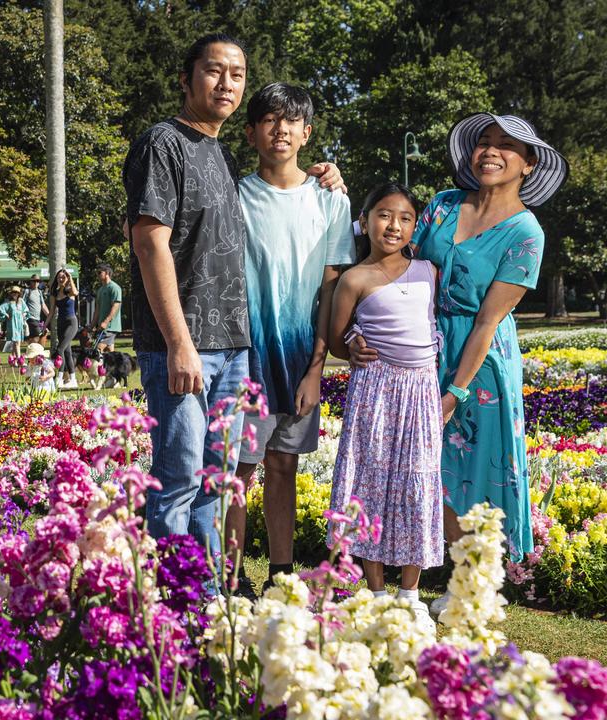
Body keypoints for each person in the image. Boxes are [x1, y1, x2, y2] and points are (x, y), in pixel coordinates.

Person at [125, 33, 343, 584]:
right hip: (185, 346)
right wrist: (178, 343)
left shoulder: (220, 154)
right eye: (214, 71)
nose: (226, 83)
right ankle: (168, 604)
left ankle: (205, 595)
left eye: (237, 74)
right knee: (178, 478)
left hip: (233, 351)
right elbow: (149, 242)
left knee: (215, 480)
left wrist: (328, 176)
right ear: (186, 77)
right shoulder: (162, 144)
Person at [349, 113, 568, 617]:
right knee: (432, 468)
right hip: (422, 349)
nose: (491, 152)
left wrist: (456, 392)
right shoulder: (443, 207)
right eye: (483, 143)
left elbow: (490, 320)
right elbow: (394, 267)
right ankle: (457, 575)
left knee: (479, 470)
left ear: (528, 164)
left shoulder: (525, 231)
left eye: (506, 147)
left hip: (481, 363)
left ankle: (476, 586)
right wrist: (360, 327)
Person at [229, 82, 356, 594]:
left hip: (301, 357)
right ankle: (231, 576)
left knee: (283, 465)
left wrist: (316, 367)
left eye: (291, 121)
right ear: (251, 131)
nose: (279, 130)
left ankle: (281, 576)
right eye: (268, 120)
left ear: (307, 132)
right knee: (239, 469)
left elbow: (331, 287)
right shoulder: (234, 194)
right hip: (245, 357)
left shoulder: (330, 200)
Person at [327, 183, 443, 628]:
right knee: (370, 483)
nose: (393, 225)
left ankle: (409, 594)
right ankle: (375, 592)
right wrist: (353, 343)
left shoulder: (429, 271)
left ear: (415, 227)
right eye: (383, 215)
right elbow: (339, 339)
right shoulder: (353, 279)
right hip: (375, 389)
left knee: (418, 483)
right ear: (365, 220)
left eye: (405, 218)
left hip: (420, 391)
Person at [50, 269, 80, 389]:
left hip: (71, 323)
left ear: (67, 278)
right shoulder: (55, 292)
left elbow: (76, 292)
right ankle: (73, 380)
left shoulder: (69, 291)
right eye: (59, 278)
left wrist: (70, 278)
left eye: (63, 277)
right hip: (60, 323)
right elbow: (52, 311)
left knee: (60, 348)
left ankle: (59, 379)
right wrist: (45, 325)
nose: (61, 279)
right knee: (67, 352)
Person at [93, 265, 123, 352]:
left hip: (110, 326)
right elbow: (97, 310)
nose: (97, 275)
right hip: (102, 327)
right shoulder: (100, 290)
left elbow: (116, 306)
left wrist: (106, 321)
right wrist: (92, 325)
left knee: (97, 350)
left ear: (107, 273)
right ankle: (116, 366)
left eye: (99, 272)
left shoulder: (114, 288)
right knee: (109, 353)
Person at [0, 286, 29, 356]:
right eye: (13, 292)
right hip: (12, 326)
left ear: (18, 293)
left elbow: (26, 310)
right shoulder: (8, 302)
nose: (14, 294)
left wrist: (24, 314)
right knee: (17, 343)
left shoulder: (21, 301)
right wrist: (6, 314)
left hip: (19, 325)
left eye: (16, 292)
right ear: (11, 293)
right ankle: (20, 360)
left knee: (16, 343)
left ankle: (13, 360)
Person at [25, 274, 49, 340]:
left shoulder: (39, 292)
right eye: (34, 281)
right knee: (39, 334)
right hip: (30, 318)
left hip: (37, 319)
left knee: (33, 338)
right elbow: (22, 304)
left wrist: (50, 315)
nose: (36, 283)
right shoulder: (27, 291)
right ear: (31, 282)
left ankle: (31, 349)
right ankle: (36, 349)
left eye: (38, 281)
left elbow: (43, 306)